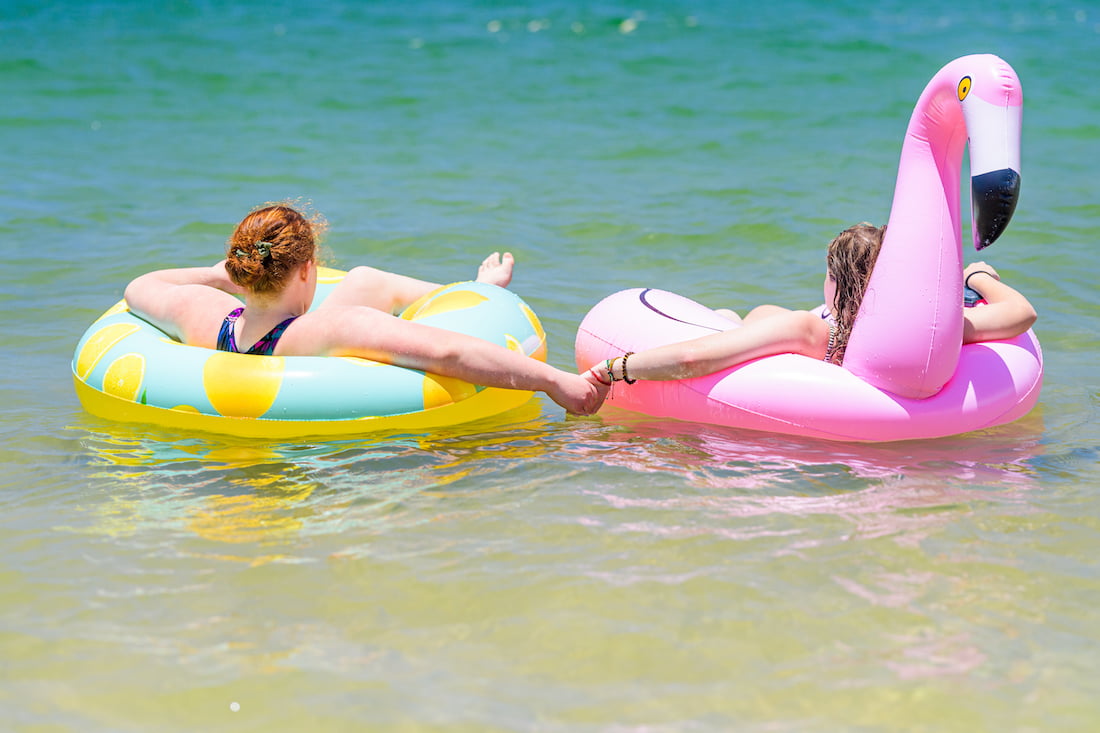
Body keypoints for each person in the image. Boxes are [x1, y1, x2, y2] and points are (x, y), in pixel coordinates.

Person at [124, 202, 608, 415]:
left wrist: (216, 277)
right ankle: (474, 290)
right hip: (340, 452)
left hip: (248, 338)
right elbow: (450, 351)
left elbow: (141, 286)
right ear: (307, 269)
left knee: (365, 280)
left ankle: (473, 286)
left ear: (240, 270)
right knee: (372, 282)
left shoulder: (203, 315)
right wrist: (556, 381)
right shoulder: (335, 329)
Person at [581, 222, 1037, 386]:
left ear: (836, 282)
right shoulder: (931, 332)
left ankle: (725, 319)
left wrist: (614, 369)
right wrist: (976, 274)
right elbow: (1021, 314)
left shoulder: (808, 330)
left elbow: (690, 357)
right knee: (756, 316)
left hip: (761, 338)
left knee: (739, 320)